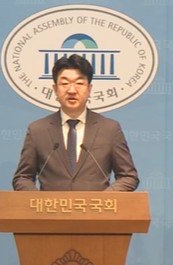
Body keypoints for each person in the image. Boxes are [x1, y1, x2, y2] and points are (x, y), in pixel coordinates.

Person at [12, 53, 139, 191]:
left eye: (79, 83)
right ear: (55, 89)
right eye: (65, 84)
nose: (72, 90)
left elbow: (128, 176)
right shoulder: (37, 130)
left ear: (89, 88)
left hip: (97, 205)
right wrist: (38, 201)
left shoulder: (109, 129)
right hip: (50, 205)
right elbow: (22, 177)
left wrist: (103, 199)